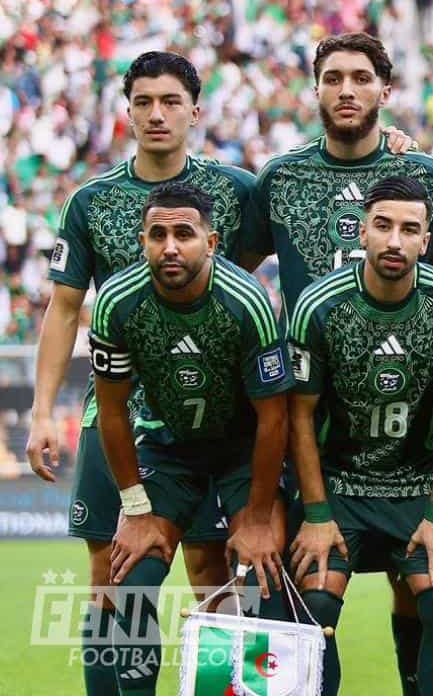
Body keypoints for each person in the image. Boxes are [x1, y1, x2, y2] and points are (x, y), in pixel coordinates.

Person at [244, 32, 433, 696]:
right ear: (315, 88)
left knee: (430, 596)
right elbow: (226, 266)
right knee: (294, 597)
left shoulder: (426, 177)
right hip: (318, 438)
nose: (346, 90)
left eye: (361, 78)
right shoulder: (280, 178)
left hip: (411, 441)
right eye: (333, 78)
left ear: (385, 89)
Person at [24, 51, 259, 696]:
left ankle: (221, 686)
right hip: (120, 418)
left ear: (195, 111)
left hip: (212, 420)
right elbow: (64, 307)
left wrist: (394, 147)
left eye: (170, 101)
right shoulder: (90, 200)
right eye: (144, 102)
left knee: (214, 572)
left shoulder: (237, 191)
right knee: (112, 573)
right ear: (127, 112)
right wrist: (43, 411)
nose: (157, 114)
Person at [89, 182, 292, 696]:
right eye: (158, 236)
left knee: (261, 578)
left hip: (242, 450)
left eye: (184, 234)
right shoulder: (117, 301)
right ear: (142, 242)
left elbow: (274, 418)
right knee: (132, 581)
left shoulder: (247, 300)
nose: (170, 247)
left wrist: (259, 517)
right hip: (167, 447)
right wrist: (136, 509)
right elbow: (112, 412)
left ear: (212, 242)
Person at [287, 176, 433, 696]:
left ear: (426, 240)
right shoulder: (319, 306)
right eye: (383, 226)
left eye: (409, 230)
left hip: (415, 485)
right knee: (315, 603)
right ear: (362, 232)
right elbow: (298, 417)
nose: (395, 241)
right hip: (338, 486)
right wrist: (316, 515)